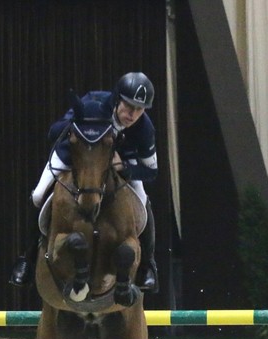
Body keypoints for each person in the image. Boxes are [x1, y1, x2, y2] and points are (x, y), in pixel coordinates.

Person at [9, 72, 159, 293]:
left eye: (140, 109)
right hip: (77, 156)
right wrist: (76, 122)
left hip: (120, 162)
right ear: (117, 99)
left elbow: (151, 172)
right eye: (129, 106)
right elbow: (53, 133)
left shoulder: (144, 128)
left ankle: (148, 265)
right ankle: (27, 259)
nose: (133, 114)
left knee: (143, 200)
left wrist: (125, 169)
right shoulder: (93, 103)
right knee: (39, 194)